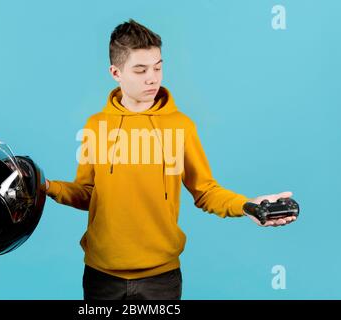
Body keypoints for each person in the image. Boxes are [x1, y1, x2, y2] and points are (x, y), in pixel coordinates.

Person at [45, 19, 297, 300]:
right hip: (102, 276)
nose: (152, 78)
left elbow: (206, 192)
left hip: (161, 279)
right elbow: (87, 194)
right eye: (140, 70)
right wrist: (46, 186)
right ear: (116, 72)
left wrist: (247, 206)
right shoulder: (96, 126)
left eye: (158, 67)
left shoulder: (181, 127)